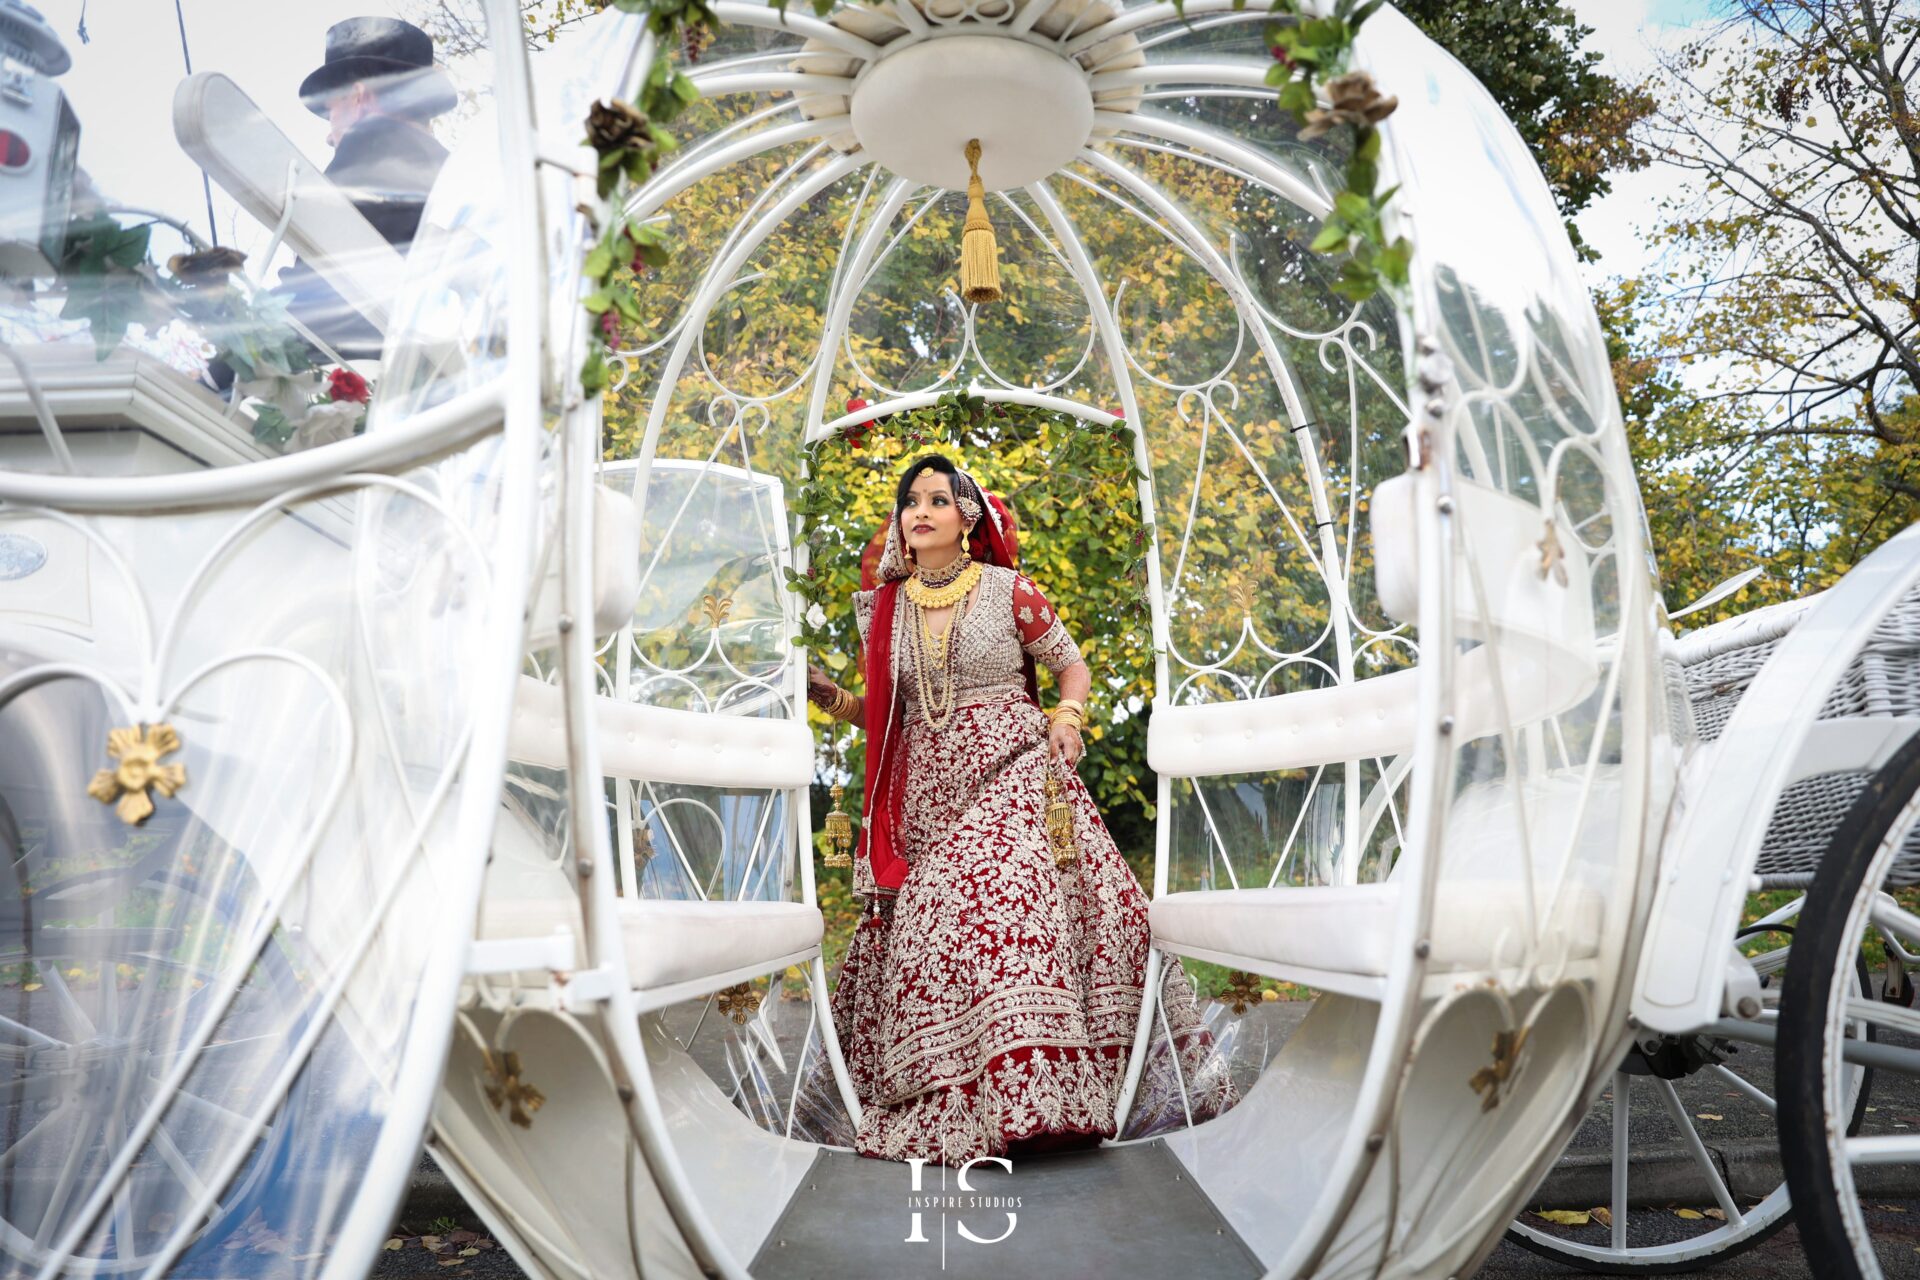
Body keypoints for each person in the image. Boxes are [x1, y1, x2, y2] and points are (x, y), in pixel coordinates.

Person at [806, 454, 1233, 1165]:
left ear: (967, 518)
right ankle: (968, 1097)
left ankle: (1049, 1098)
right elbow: (889, 719)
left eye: (936, 500)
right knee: (932, 912)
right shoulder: (883, 611)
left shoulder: (1009, 591)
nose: (919, 512)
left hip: (1017, 770)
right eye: (910, 501)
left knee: (1002, 889)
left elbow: (1071, 663)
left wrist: (1067, 717)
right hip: (931, 800)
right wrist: (833, 699)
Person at [280, 17, 455, 358]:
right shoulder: (450, 172)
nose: (329, 135)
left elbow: (306, 290)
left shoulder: (371, 149)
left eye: (332, 112)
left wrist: (222, 370)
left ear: (358, 97)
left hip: (363, 377)